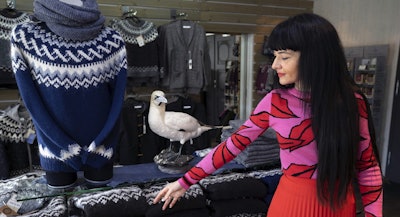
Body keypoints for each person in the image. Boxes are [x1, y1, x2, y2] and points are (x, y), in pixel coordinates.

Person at [153, 13, 383, 217]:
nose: (274, 65)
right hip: (291, 204)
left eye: (284, 56)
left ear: (316, 56)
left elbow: (368, 167)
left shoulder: (353, 103)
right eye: (274, 56)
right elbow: (233, 145)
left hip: (340, 206)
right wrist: (186, 181)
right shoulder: (275, 102)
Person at [10, 0, 127, 188]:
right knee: (60, 205)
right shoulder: (25, 36)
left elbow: (117, 100)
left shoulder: (112, 39)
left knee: (101, 205)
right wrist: (63, 147)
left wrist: (102, 143)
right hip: (54, 148)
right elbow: (32, 101)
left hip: (101, 148)